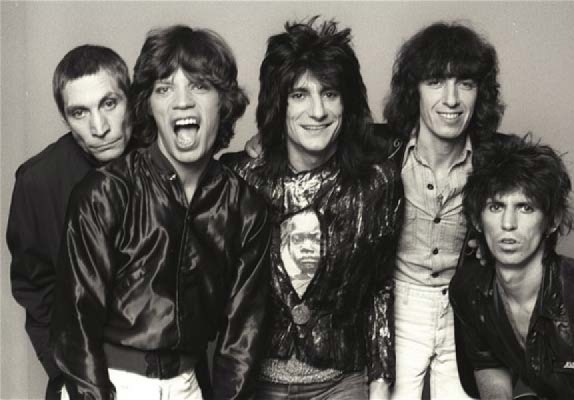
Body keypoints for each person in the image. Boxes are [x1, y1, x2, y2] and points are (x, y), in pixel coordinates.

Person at [50, 25, 271, 400]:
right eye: (164, 89)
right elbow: (75, 326)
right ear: (148, 106)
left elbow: (242, 343)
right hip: (107, 383)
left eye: (199, 86)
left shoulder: (245, 207)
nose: (182, 102)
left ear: (223, 102)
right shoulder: (105, 192)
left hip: (187, 385)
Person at [222, 17, 403, 399]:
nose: (318, 111)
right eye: (299, 95)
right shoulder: (240, 178)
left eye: (330, 93)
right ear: (279, 104)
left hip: (342, 382)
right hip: (257, 383)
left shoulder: (378, 182)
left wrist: (380, 383)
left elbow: (380, 289)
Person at [382, 22, 505, 399]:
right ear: (414, 90)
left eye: (465, 83)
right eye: (436, 81)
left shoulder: (498, 160)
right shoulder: (379, 152)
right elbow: (307, 147)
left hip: (464, 311)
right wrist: (262, 144)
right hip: (396, 308)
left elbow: (544, 205)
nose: (451, 99)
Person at [7, 44, 133, 400]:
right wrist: (64, 374)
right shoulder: (37, 181)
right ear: (65, 118)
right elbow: (34, 288)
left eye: (109, 104)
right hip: (79, 378)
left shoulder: (165, 160)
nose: (99, 127)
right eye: (80, 112)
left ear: (130, 99)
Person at [449, 134, 574, 399]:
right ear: (477, 218)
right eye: (496, 206)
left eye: (525, 208)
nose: (508, 223)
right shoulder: (470, 291)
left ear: (552, 220)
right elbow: (489, 363)